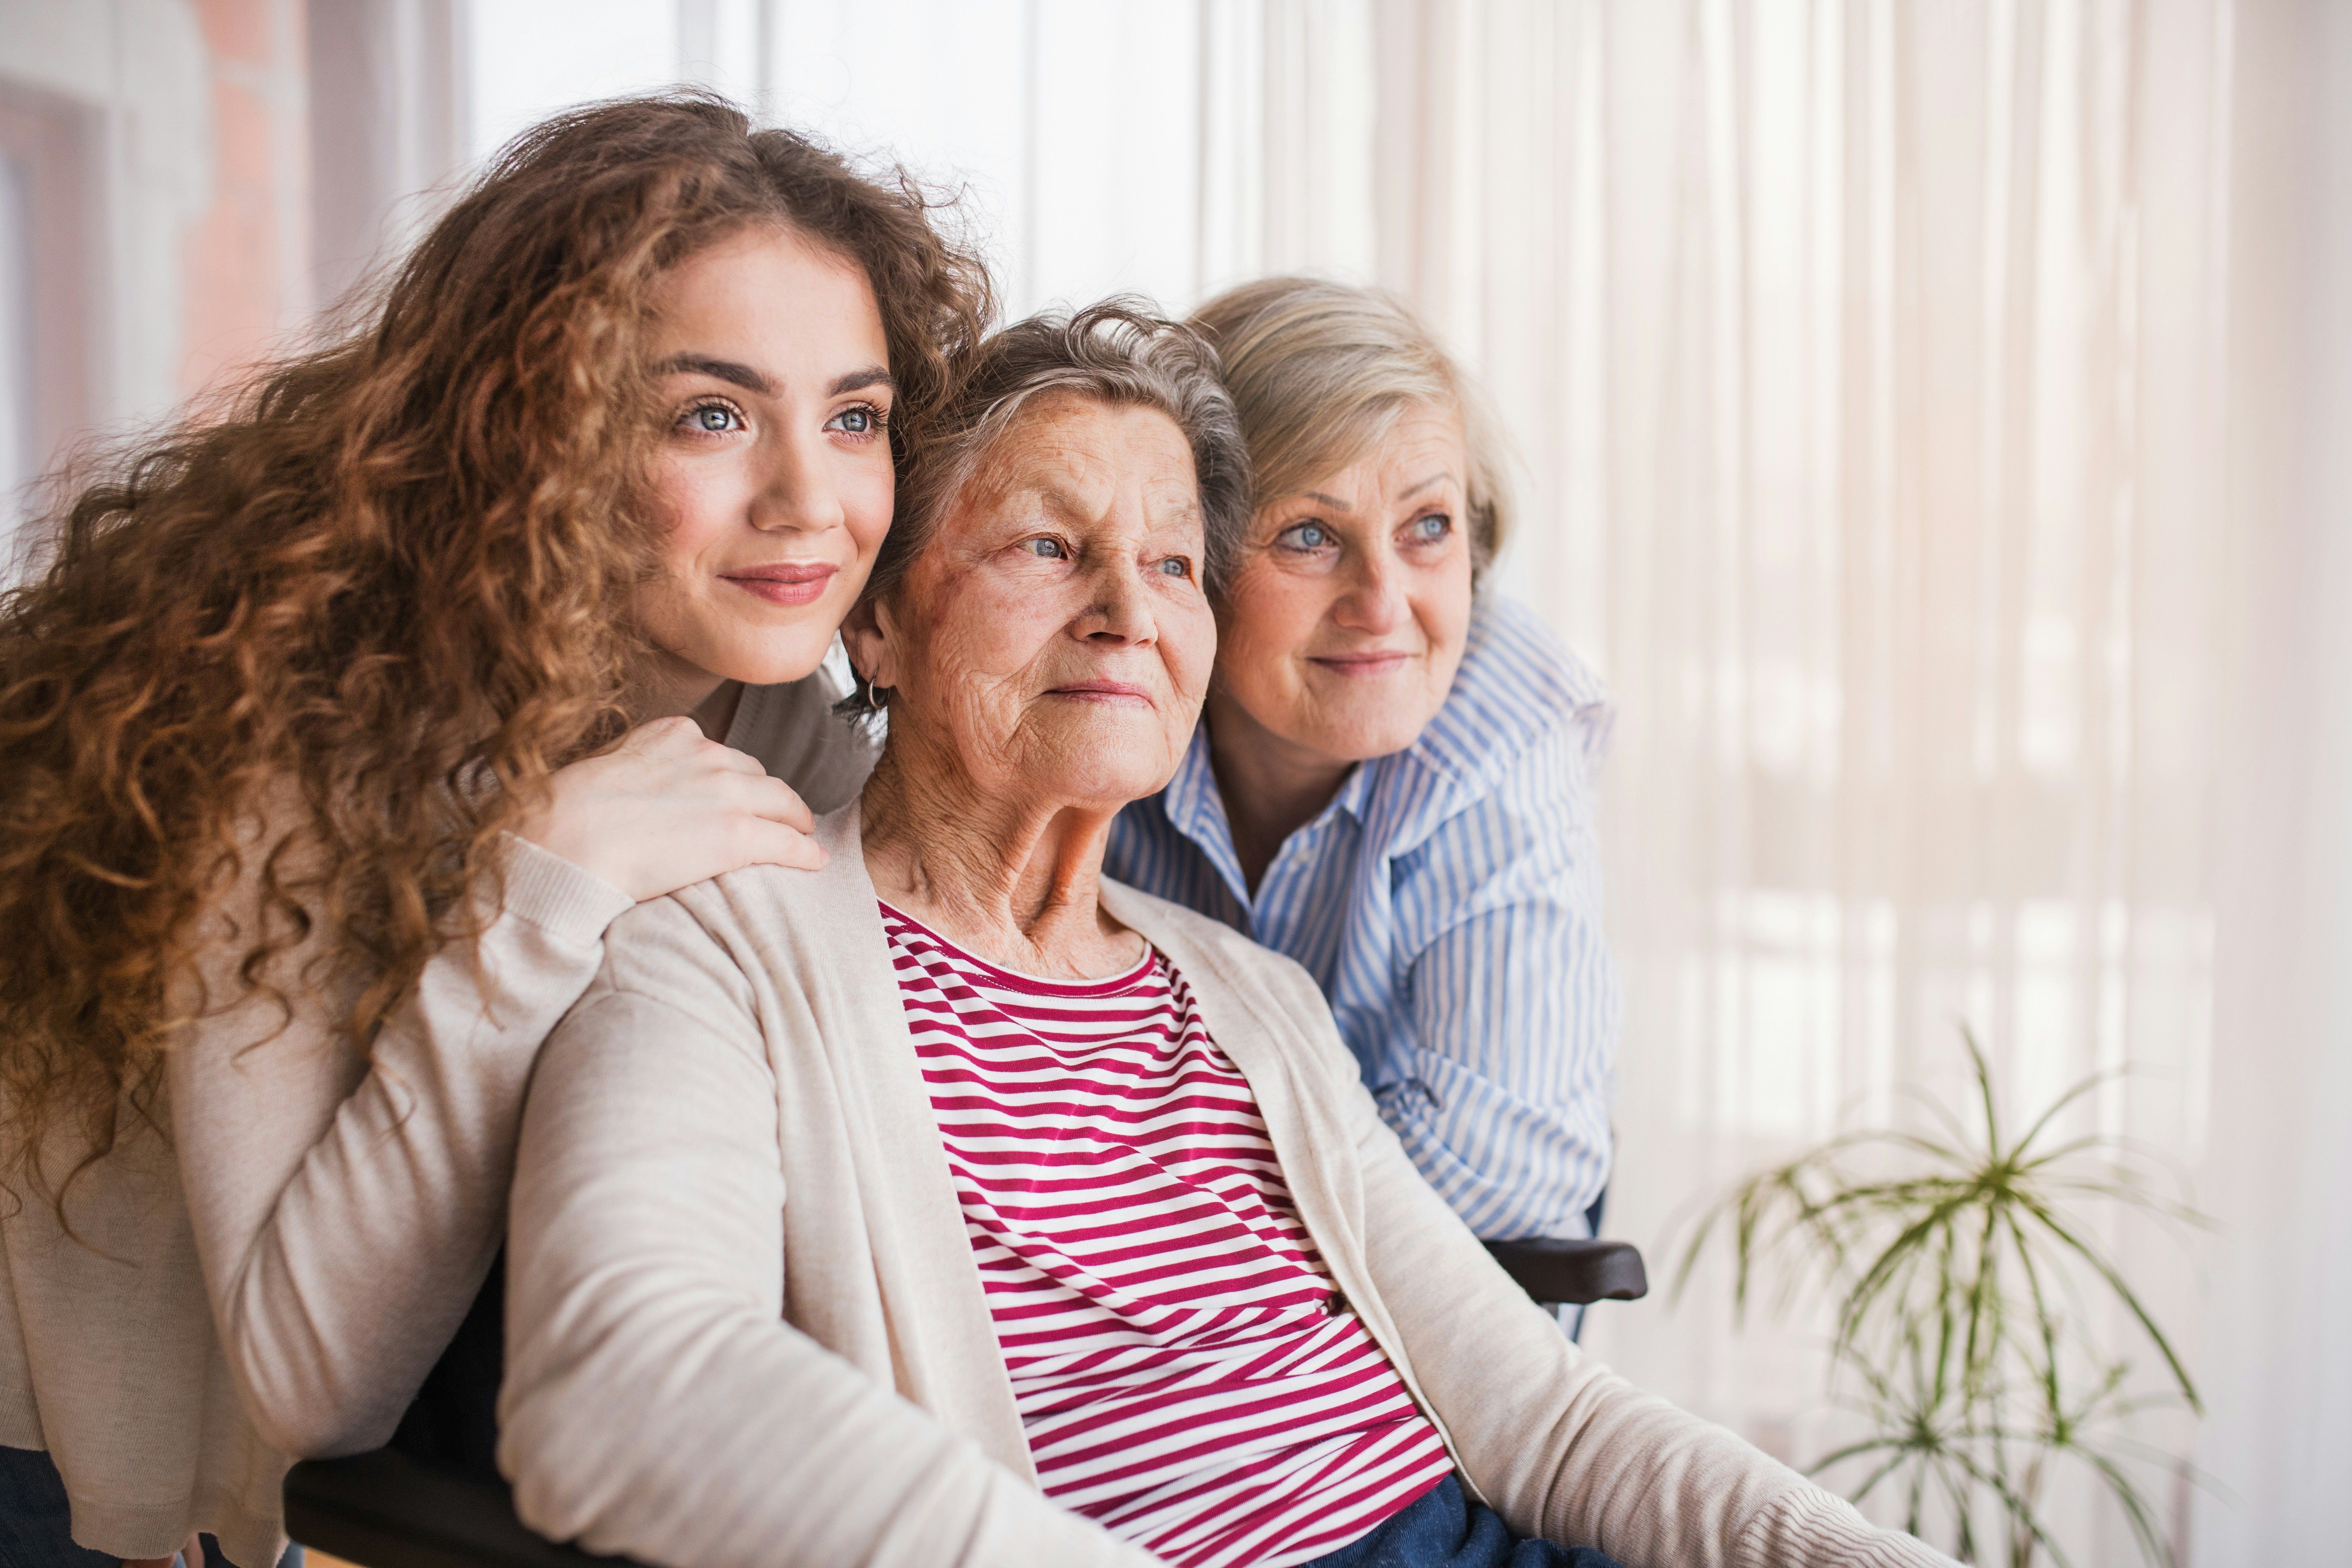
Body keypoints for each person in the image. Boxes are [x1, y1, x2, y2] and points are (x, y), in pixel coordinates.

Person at [499, 304, 1957, 1568]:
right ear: (875, 624)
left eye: (1175, 564)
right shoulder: (718, 953)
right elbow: (621, 1381)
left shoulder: (1246, 995)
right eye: (1045, 546)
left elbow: (1548, 1419)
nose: (1127, 610)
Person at [0, 94, 990, 1568]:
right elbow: (308, 1382)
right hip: (88, 1477)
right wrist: (549, 886)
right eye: (710, 414)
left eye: (852, 417)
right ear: (540, 430)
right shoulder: (283, 736)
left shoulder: (777, 702)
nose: (809, 501)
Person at [1104, 278, 1618, 1251]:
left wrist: (1153, 1203)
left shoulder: (1510, 726)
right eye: (1310, 534)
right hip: (1150, 1309)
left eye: (1429, 528)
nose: (1384, 602)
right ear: (1187, 562)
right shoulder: (1107, 685)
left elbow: (1503, 1161)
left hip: (1423, 1321)